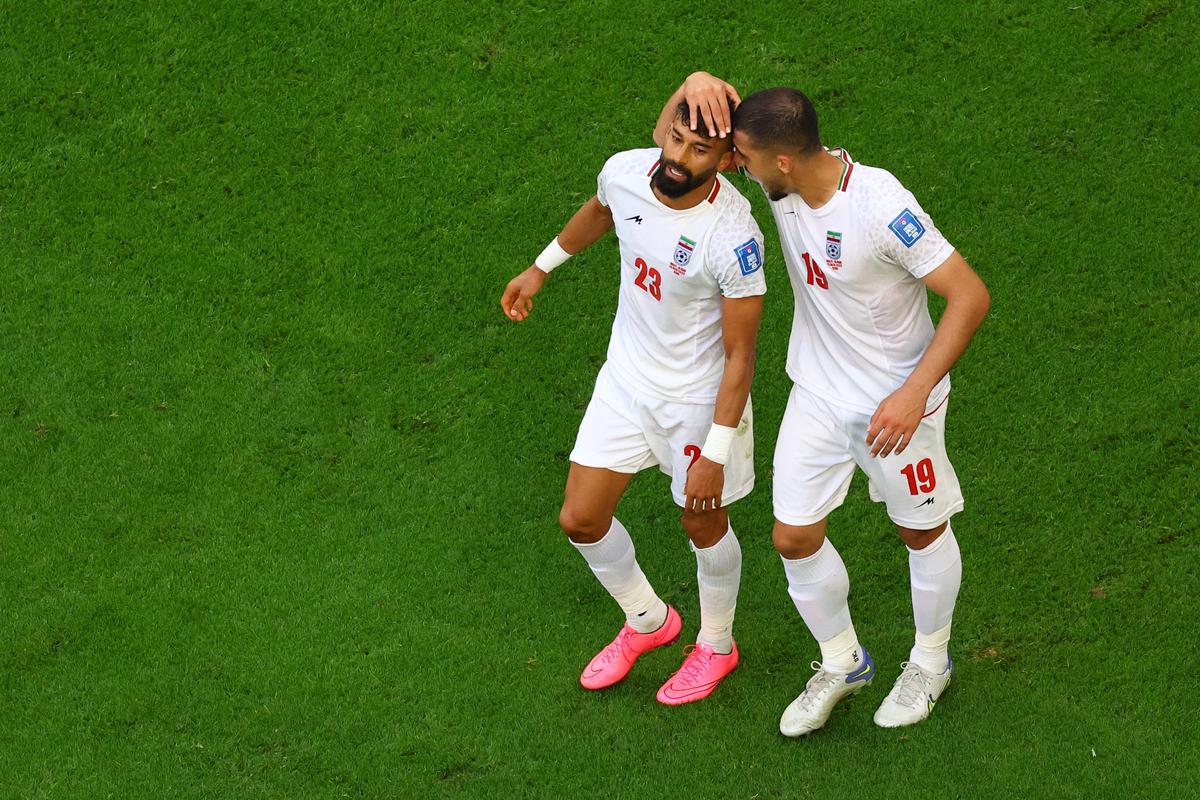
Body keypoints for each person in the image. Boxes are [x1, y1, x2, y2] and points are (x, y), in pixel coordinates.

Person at [659, 73, 991, 732]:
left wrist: (913, 392)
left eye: (743, 159)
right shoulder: (781, 178)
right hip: (816, 392)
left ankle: (931, 662)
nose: (733, 167)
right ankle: (843, 662)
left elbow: (970, 295)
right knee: (793, 535)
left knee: (919, 529)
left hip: (898, 407)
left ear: (780, 160)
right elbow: (675, 144)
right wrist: (692, 82)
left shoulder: (879, 206)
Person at [499, 102, 767, 705]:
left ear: (727, 161)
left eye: (698, 150)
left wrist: (715, 451)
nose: (677, 158)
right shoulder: (626, 172)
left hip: (697, 403)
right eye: (675, 139)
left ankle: (717, 645)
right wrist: (541, 268)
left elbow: (741, 358)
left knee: (700, 520)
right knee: (580, 519)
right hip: (624, 382)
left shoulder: (732, 237)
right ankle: (649, 621)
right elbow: (599, 211)